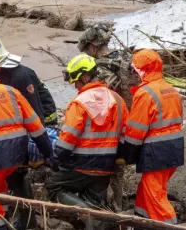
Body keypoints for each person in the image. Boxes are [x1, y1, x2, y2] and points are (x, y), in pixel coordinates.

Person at [0, 35, 57, 229]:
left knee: (17, 177)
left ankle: (27, 222)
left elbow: (35, 114)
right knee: (9, 179)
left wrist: (41, 150)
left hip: (29, 135)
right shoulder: (3, 77)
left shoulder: (20, 76)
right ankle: (11, 215)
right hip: (19, 136)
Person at [46, 54, 129, 230]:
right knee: (94, 202)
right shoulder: (118, 100)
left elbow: (67, 140)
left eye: (76, 81)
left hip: (81, 164)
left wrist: (54, 158)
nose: (75, 86)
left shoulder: (80, 102)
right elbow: (125, 135)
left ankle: (90, 217)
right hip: (106, 166)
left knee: (54, 186)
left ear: (84, 77)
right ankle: (97, 221)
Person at [119, 49, 184, 225]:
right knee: (145, 193)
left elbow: (135, 131)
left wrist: (128, 155)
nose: (134, 74)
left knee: (155, 198)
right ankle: (141, 222)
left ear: (142, 69)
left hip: (157, 153)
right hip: (174, 149)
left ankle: (170, 226)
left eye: (135, 69)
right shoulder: (170, 90)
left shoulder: (145, 93)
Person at [77, 23, 132, 209]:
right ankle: (119, 205)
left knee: (107, 172)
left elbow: (96, 101)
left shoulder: (99, 69)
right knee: (119, 171)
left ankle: (110, 212)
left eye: (86, 50)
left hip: (110, 126)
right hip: (131, 122)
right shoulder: (126, 58)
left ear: (92, 47)